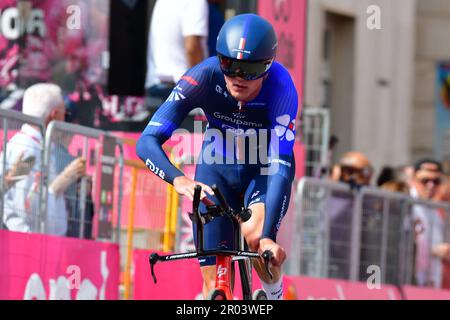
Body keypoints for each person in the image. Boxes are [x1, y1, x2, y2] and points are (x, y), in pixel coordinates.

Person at [137, 14, 298, 300]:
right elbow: (147, 141)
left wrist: (268, 237)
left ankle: (273, 294)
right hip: (217, 166)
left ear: (268, 66)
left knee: (255, 236)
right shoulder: (204, 76)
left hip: (262, 167)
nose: (238, 77)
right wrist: (179, 180)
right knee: (214, 284)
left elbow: (280, 168)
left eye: (250, 70)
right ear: (218, 59)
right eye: (229, 65)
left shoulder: (282, 87)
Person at [0, 83, 86, 235]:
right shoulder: (29, 150)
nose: (65, 121)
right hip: (30, 246)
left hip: (38, 244)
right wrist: (60, 184)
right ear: (53, 115)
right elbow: (26, 210)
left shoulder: (37, 146)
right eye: (64, 114)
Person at [145, 0, 209, 103]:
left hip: (158, 86)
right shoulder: (195, 2)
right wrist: (201, 89)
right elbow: (192, 48)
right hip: (181, 88)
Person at [409, 158, 445, 287]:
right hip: (407, 280)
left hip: (428, 283)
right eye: (425, 181)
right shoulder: (406, 204)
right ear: (413, 179)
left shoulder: (435, 212)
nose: (431, 185)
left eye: (436, 181)